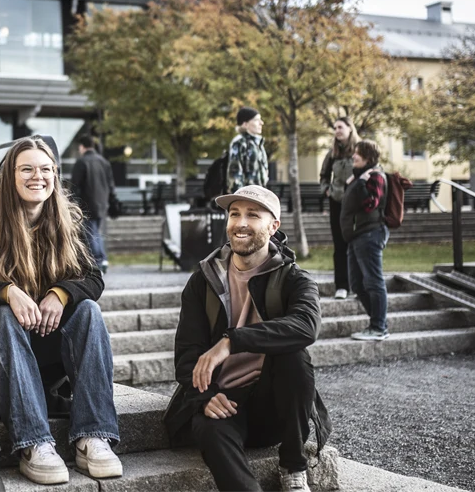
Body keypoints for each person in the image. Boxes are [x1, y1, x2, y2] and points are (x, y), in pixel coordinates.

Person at [0, 136, 122, 485]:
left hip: (44, 357)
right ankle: (34, 443)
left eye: (45, 169)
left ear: (55, 175)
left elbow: (93, 278)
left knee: (87, 310)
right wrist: (5, 292)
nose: (37, 176)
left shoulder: (69, 219)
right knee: (0, 314)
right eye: (26, 169)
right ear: (8, 176)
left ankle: (93, 437)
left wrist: (61, 293)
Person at [164, 185, 331, 492]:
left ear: (273, 226)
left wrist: (231, 342)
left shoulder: (294, 279)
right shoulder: (203, 280)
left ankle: (293, 467)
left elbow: (306, 326)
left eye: (252, 215)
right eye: (234, 214)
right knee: (208, 429)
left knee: (294, 356)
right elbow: (187, 354)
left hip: (274, 407)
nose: (240, 223)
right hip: (224, 402)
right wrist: (205, 396)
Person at [340, 139, 390, 341]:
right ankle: (378, 323)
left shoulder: (375, 176)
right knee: (357, 284)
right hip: (356, 236)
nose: (353, 156)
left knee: (373, 282)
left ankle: (378, 327)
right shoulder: (360, 176)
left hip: (369, 234)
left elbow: (370, 204)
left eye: (357, 153)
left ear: (368, 157)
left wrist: (360, 183)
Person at [319, 117, 360, 300]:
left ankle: (358, 285)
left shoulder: (360, 150)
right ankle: (341, 286)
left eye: (340, 127)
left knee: (357, 243)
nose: (337, 131)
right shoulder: (332, 153)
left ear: (350, 128)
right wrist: (326, 190)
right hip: (336, 203)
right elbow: (323, 175)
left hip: (357, 203)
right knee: (339, 245)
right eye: (335, 128)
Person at [71, 134, 114, 273]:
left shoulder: (81, 162)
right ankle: (103, 259)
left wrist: (72, 204)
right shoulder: (104, 162)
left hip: (86, 203)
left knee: (91, 233)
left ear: (82, 146)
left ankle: (99, 261)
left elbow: (74, 186)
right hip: (102, 203)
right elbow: (111, 185)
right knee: (96, 232)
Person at [227, 107, 269, 193]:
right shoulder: (239, 142)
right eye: (256, 120)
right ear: (245, 124)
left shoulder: (258, 143)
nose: (261, 123)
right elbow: (235, 174)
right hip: (246, 195)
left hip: (258, 194)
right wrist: (239, 196)